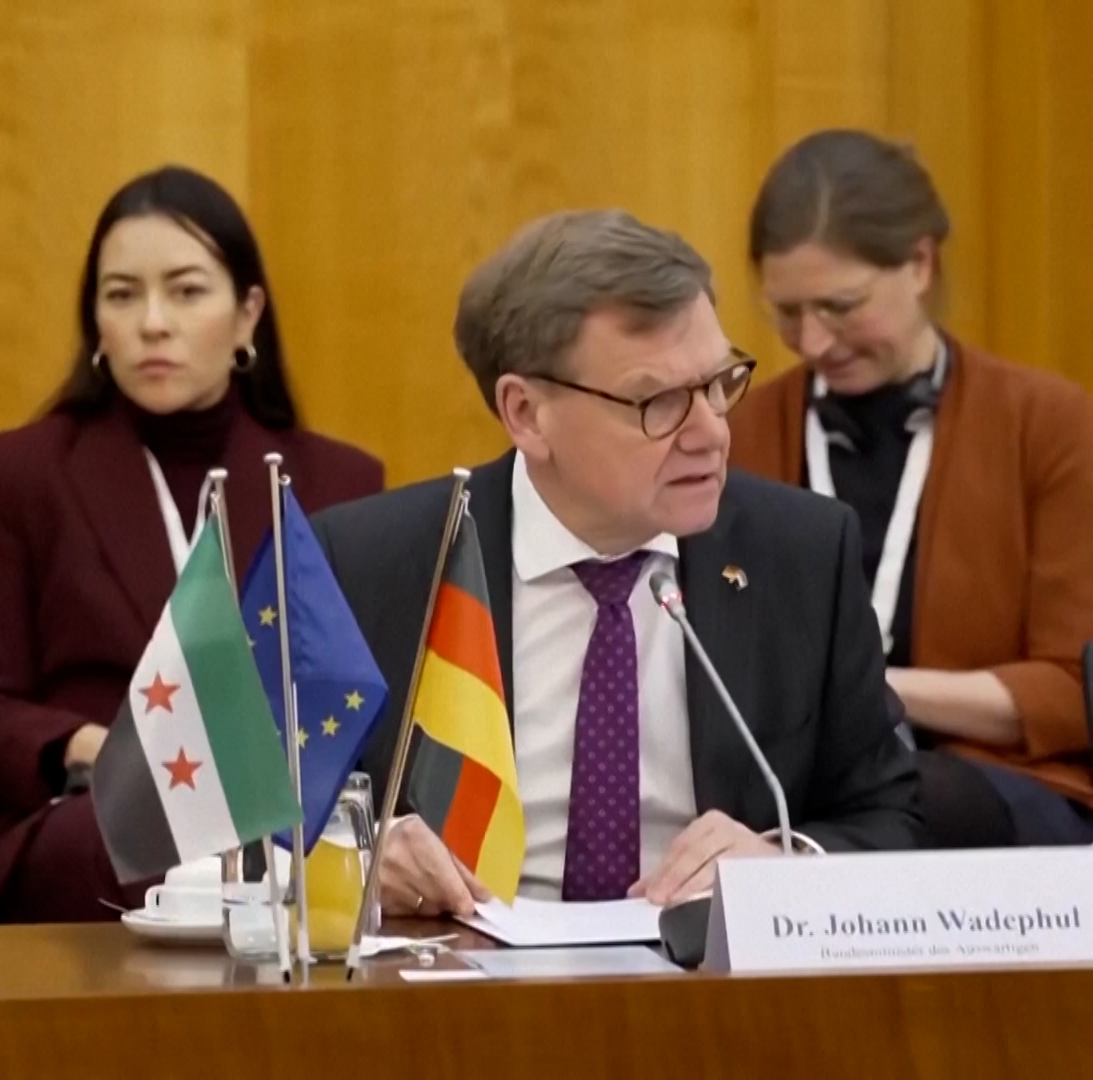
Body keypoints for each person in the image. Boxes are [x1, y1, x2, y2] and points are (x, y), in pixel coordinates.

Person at [313, 209, 920, 916]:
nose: (710, 432)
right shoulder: (368, 563)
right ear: (527, 413)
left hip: (707, 970)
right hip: (457, 970)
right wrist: (359, 857)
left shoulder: (802, 553)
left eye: (719, 384)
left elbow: (892, 816)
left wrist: (787, 864)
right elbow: (257, 828)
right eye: (658, 401)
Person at [0, 165, 384, 921]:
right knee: (135, 841)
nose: (152, 322)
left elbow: (366, 699)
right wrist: (103, 749)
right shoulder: (23, 474)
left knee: (347, 848)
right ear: (95, 324)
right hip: (99, 813)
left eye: (186, 291)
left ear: (246, 316)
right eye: (121, 296)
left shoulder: (336, 482)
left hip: (286, 810)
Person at [730, 130, 1093, 847]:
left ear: (921, 264)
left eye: (841, 306)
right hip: (793, 781)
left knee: (902, 797)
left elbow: (1073, 690)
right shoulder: (739, 434)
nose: (813, 342)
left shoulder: (1050, 424)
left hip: (999, 780)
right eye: (787, 313)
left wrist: (871, 692)